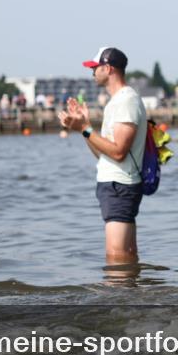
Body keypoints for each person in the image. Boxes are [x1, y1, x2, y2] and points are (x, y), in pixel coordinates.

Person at [59, 47, 147, 267]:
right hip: (116, 184)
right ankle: (129, 298)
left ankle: (118, 301)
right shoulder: (117, 102)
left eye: (95, 68)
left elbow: (118, 152)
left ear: (108, 69)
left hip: (120, 186)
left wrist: (86, 129)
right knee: (125, 255)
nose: (92, 73)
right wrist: (84, 128)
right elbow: (103, 154)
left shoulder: (126, 101)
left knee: (116, 258)